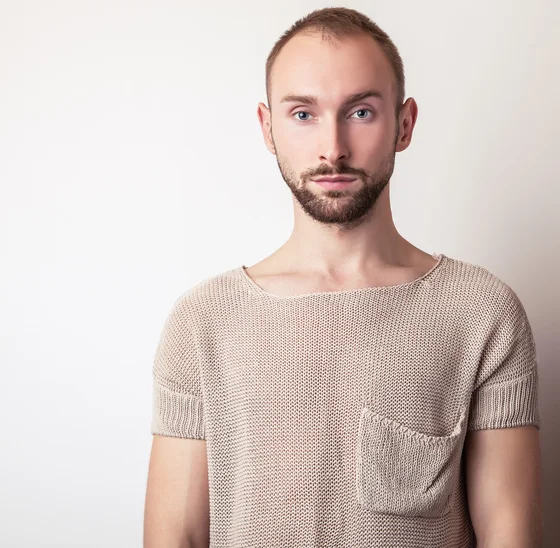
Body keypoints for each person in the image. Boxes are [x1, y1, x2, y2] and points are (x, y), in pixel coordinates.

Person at [143, 7, 542, 547]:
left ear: (404, 124)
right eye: (303, 114)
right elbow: (175, 538)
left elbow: (509, 536)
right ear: (268, 129)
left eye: (360, 112)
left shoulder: (482, 314)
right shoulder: (201, 324)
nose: (333, 147)